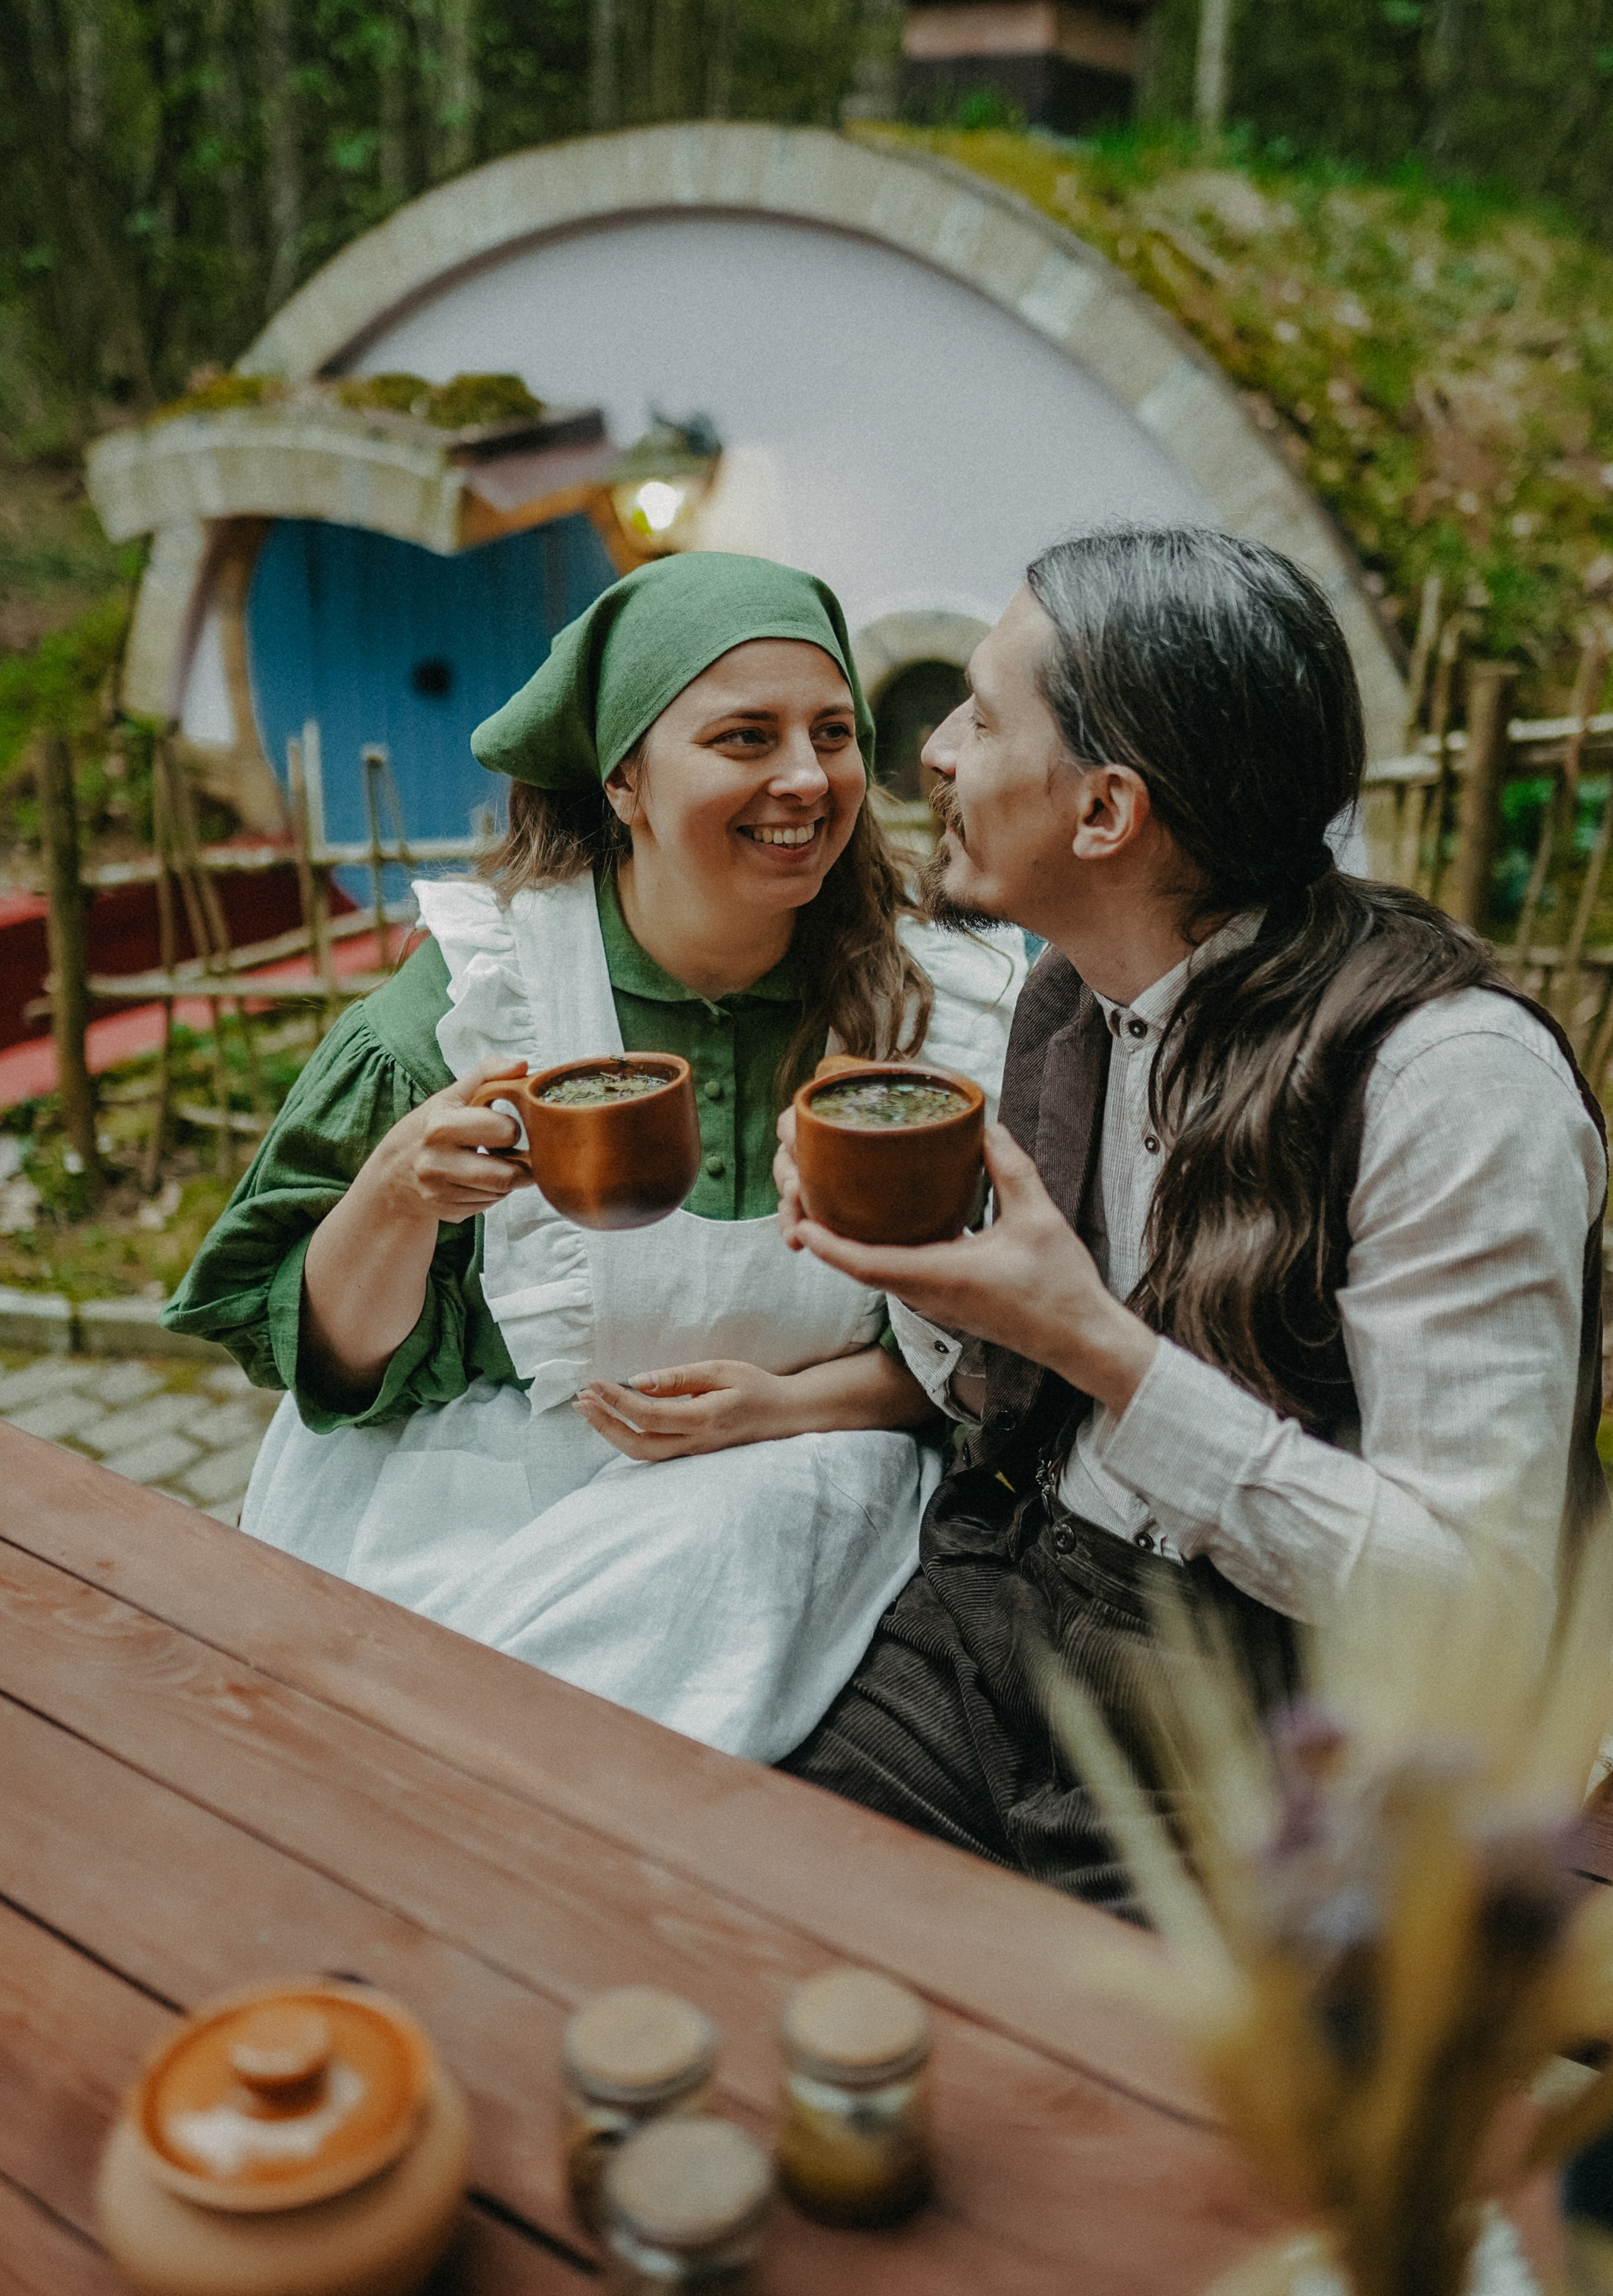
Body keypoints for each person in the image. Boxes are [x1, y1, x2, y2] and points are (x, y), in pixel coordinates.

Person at [774, 526, 1607, 1908]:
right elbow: (1010, 1390)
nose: (931, 753)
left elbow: (1473, 1615)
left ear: (1105, 814)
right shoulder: (1066, 1002)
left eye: (980, 717)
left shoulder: (1448, 1086)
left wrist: (1106, 1353)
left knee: (1087, 2102)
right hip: (1002, 1612)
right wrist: (932, 1281)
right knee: (737, 1906)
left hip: (1283, 1742)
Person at [165, 553, 1023, 1762]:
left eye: (832, 731)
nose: (803, 777)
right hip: (477, 1499)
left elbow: (990, 1354)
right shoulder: (484, 1003)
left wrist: (787, 1408)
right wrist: (399, 1196)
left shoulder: (946, 1010)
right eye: (742, 737)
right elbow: (326, 1370)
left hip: (774, 1495)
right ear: (623, 779)